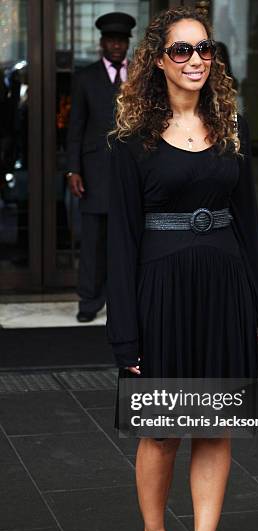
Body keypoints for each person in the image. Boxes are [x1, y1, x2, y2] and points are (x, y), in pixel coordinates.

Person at [106, 7, 258, 531]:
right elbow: (121, 240)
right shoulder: (132, 141)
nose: (196, 59)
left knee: (215, 425)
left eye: (203, 48)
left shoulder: (230, 126)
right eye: (181, 50)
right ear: (159, 60)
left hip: (225, 289)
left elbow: (249, 225)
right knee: (162, 430)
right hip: (161, 294)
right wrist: (125, 334)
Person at [66, 11, 136, 322]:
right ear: (102, 43)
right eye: (111, 40)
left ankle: (127, 301)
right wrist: (73, 169)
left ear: (128, 44)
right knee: (93, 242)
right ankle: (89, 302)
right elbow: (75, 127)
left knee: (129, 240)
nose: (117, 46)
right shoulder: (85, 78)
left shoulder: (140, 76)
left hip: (133, 169)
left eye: (121, 41)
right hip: (95, 171)